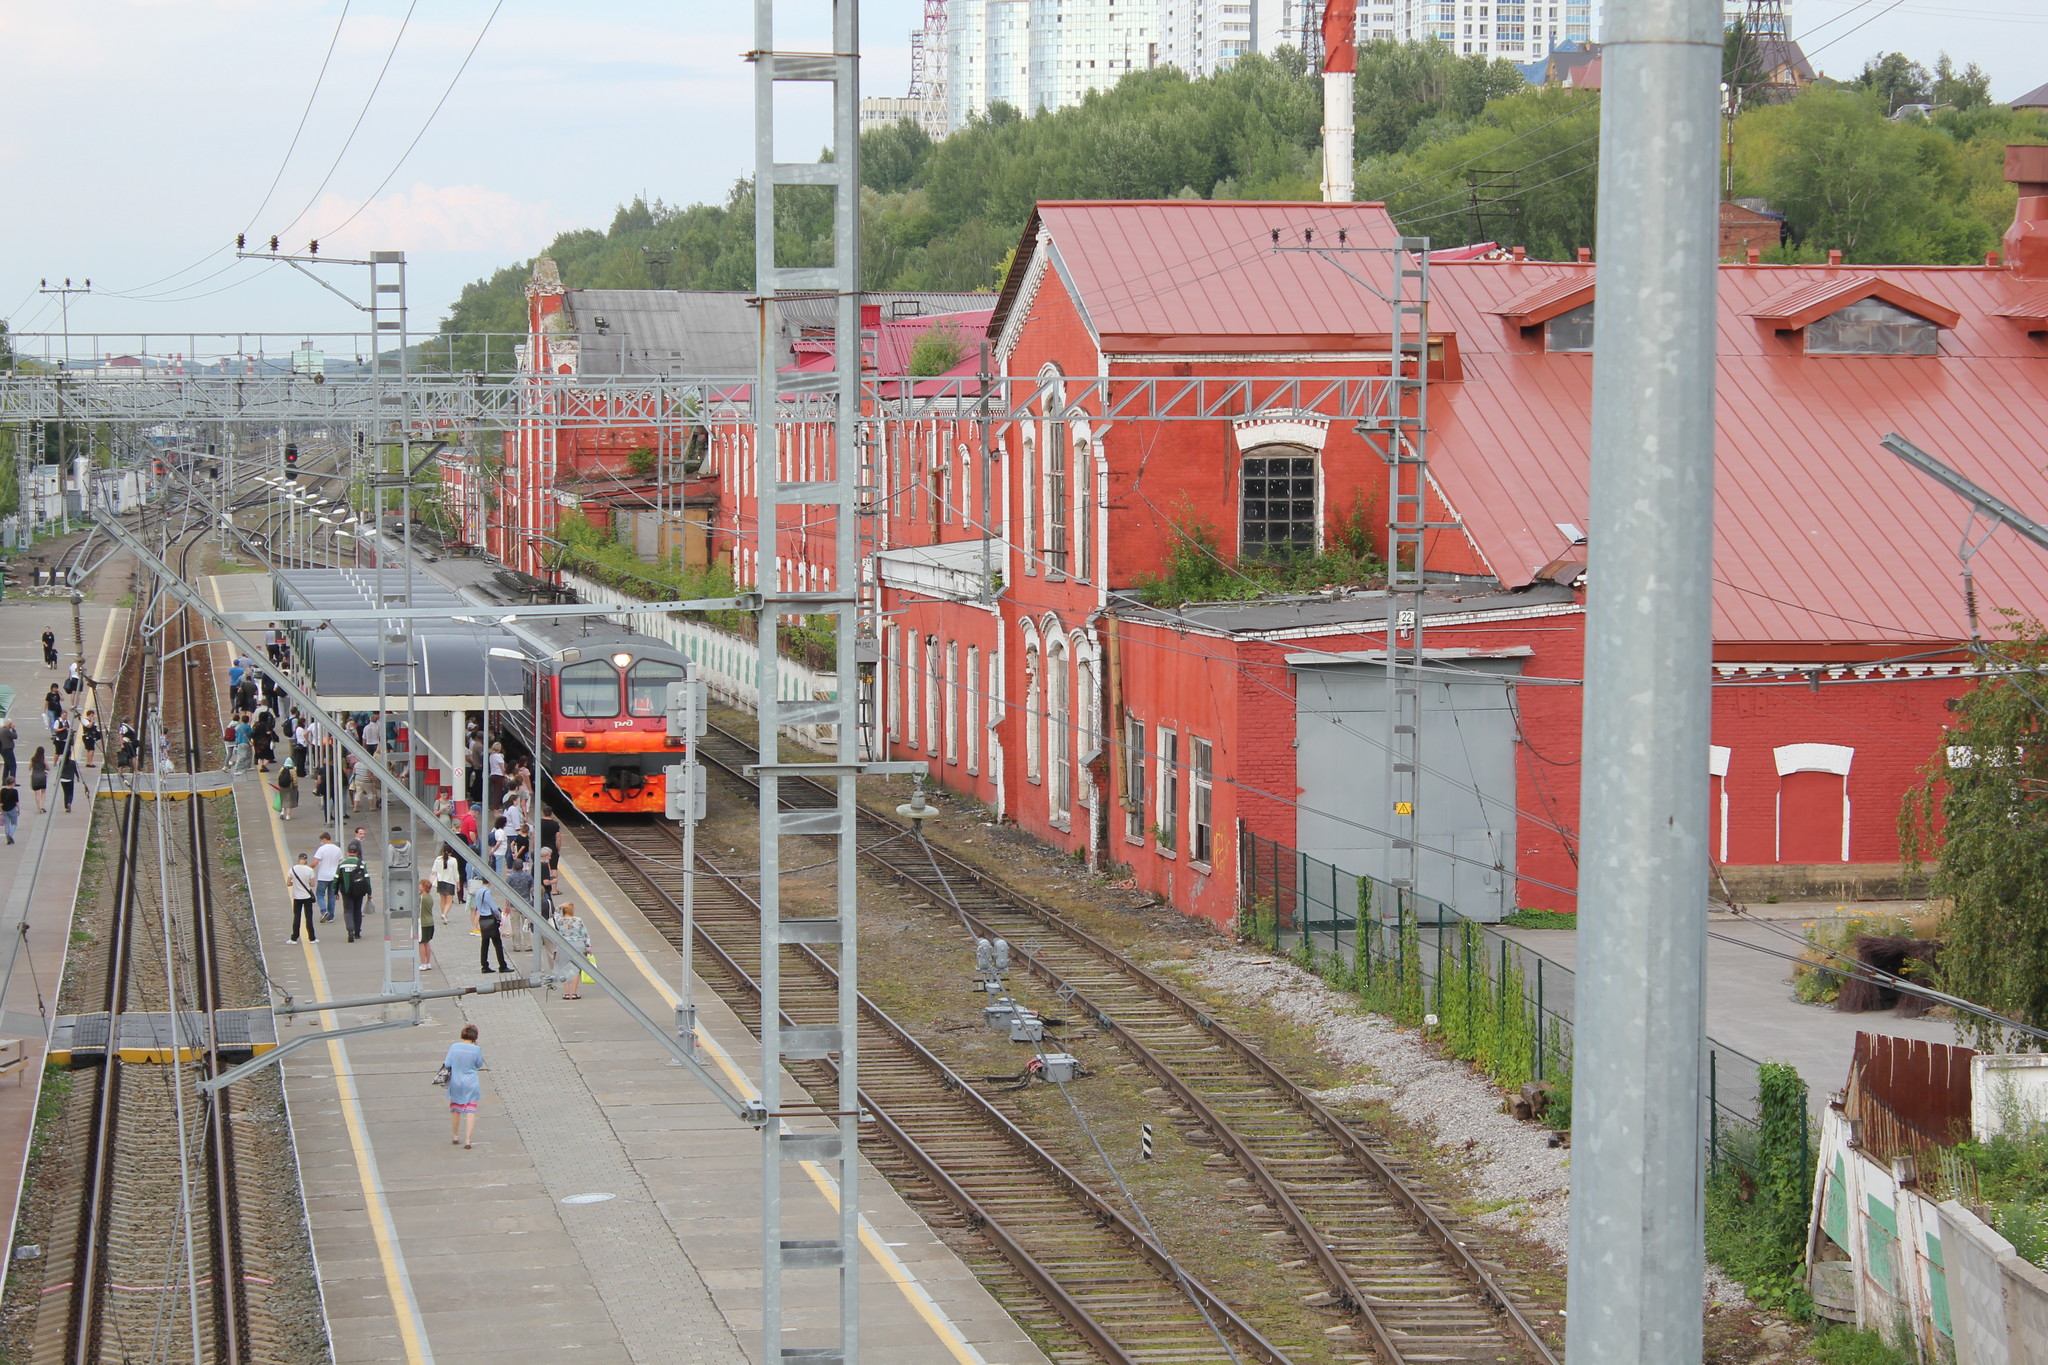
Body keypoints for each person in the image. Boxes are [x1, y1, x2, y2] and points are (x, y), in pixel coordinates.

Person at [443, 1023, 483, 1149]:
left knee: (456, 1109)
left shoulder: (454, 1047)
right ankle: (468, 1140)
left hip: (456, 1082)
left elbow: (447, 1063)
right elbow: (479, 1064)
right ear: (475, 1037)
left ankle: (455, 1136)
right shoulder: (476, 1049)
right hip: (471, 1083)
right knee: (471, 1111)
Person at [335, 841, 373, 942]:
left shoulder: (342, 864)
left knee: (348, 911)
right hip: (359, 891)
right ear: (356, 853)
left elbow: (336, 878)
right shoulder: (361, 864)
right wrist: (369, 892)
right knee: (357, 911)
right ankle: (357, 932)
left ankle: (350, 930)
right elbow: (367, 879)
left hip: (346, 891)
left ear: (348, 852)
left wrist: (335, 891)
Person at [554, 901, 590, 1000]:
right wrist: (587, 947)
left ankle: (566, 993)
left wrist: (559, 906)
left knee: (565, 969)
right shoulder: (578, 920)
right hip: (578, 945)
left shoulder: (560, 921)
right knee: (575, 970)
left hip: (564, 946)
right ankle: (574, 993)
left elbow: (555, 913)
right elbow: (584, 934)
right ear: (572, 910)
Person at [473, 878, 510, 973]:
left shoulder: (478, 891)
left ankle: (484, 965)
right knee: (497, 943)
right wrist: (499, 916)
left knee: (485, 943)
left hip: (482, 918)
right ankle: (502, 965)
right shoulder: (487, 893)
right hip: (489, 918)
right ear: (489, 881)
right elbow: (493, 907)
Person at [286, 853, 318, 943]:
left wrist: (295, 883)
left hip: (297, 897)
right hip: (307, 897)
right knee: (309, 918)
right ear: (306, 860)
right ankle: (312, 938)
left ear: (298, 859)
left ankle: (294, 938)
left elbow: (288, 883)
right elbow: (312, 884)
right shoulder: (309, 870)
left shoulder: (292, 869)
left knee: (297, 917)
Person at [311, 832, 342, 920]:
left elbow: (315, 863)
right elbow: (341, 861)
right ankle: (330, 917)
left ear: (324, 839)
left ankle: (324, 911)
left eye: (321, 840)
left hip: (323, 876)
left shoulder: (322, 849)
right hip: (334, 876)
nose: (321, 842)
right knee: (332, 897)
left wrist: (308, 868)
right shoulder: (338, 849)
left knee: (320, 895)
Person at [430, 845, 462, 927]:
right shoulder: (453, 860)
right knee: (449, 901)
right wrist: (458, 883)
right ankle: (444, 914)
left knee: (442, 900)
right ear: (451, 852)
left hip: (440, 881)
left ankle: (444, 914)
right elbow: (455, 873)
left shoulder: (438, 859)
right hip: (450, 882)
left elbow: (433, 870)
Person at [416, 876, 438, 972]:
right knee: (427, 942)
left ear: (424, 887)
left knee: (421, 943)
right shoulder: (429, 897)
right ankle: (428, 962)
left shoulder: (422, 898)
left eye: (420, 885)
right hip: (430, 922)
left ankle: (423, 963)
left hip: (423, 922)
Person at [57, 750, 77, 814]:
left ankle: (66, 805)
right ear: (70, 755)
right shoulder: (72, 762)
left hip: (63, 779)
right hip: (70, 779)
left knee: (65, 793)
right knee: (70, 793)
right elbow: (75, 770)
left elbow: (59, 771)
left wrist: (57, 778)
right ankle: (69, 803)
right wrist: (78, 777)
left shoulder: (61, 762)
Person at [28, 748, 47, 814]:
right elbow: (48, 767)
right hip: (42, 777)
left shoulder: (33, 759)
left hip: (35, 777)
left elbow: (29, 768)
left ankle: (39, 807)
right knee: (43, 791)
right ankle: (42, 805)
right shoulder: (43, 759)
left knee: (37, 793)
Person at [0, 777, 19, 845]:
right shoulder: (14, 791)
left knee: (7, 824)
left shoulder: (2, 790)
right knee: (14, 823)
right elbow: (17, 802)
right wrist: (19, 809)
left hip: (4, 809)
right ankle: (10, 835)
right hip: (12, 809)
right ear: (13, 783)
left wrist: (1, 810)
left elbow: (1, 802)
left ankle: (7, 838)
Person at [0, 716, 16, 783]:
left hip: (3, 749)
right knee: (13, 765)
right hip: (7, 749)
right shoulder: (6, 731)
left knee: (7, 765)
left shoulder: (1, 729)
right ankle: (12, 781)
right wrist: (13, 729)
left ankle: (4, 780)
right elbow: (14, 736)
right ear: (8, 724)